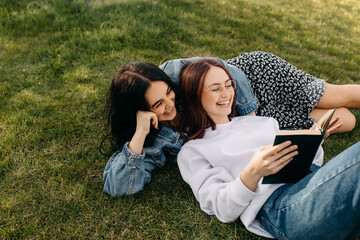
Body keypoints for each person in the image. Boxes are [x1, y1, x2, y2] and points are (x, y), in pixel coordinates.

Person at [102, 52, 359, 197]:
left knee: (339, 96)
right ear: (139, 112)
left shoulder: (171, 71)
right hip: (256, 125)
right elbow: (118, 187)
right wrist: (139, 136)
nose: (169, 103)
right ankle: (306, 107)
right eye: (157, 104)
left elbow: (220, 67)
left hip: (247, 89)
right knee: (346, 121)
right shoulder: (150, 139)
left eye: (169, 92)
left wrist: (248, 118)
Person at [177, 59, 360, 239]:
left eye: (229, 85)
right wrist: (253, 172)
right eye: (215, 89)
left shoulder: (263, 122)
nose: (226, 94)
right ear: (194, 96)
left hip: (311, 181)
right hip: (282, 207)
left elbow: (310, 165)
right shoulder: (194, 150)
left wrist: (313, 141)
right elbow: (223, 210)